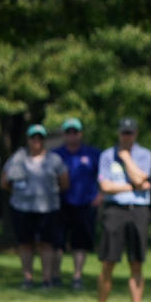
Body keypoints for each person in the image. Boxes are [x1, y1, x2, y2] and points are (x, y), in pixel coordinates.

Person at [95, 117, 151, 302]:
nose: (126, 136)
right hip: (115, 210)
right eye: (123, 132)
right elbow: (105, 187)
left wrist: (126, 158)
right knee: (108, 261)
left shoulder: (145, 154)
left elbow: (141, 178)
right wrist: (134, 186)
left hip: (138, 210)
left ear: (135, 133)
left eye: (130, 133)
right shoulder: (106, 155)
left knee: (136, 262)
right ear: (119, 133)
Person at [0, 124, 68, 289]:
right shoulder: (17, 158)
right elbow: (4, 182)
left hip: (48, 209)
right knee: (25, 244)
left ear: (44, 140)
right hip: (22, 208)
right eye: (33, 137)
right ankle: (28, 279)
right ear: (28, 139)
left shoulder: (54, 159)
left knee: (46, 244)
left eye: (40, 137)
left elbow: (64, 183)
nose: (36, 140)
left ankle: (47, 279)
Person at [52, 117, 102, 290]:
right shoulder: (56, 154)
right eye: (68, 132)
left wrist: (101, 195)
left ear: (80, 134)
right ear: (64, 134)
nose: (72, 135)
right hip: (61, 203)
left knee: (80, 243)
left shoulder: (92, 154)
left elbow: (105, 175)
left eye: (75, 131)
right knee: (57, 242)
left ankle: (77, 277)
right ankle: (55, 276)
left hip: (85, 204)